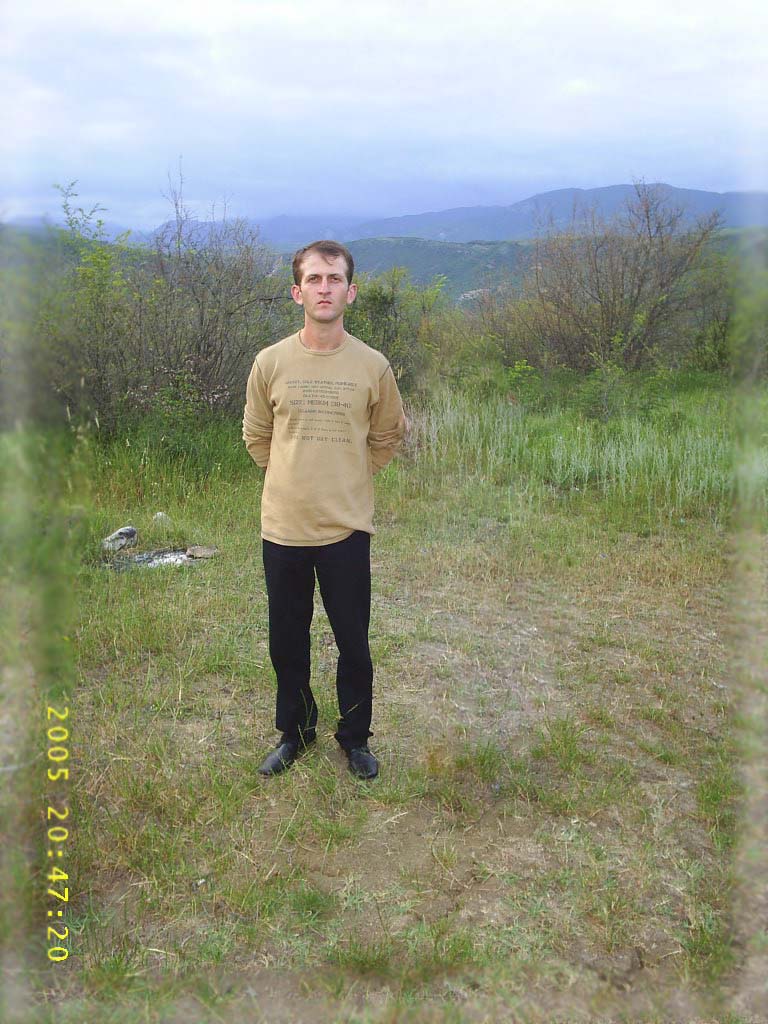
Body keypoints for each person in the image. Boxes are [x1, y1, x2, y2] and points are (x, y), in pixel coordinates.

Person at [243, 240, 407, 780]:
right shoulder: (270, 362)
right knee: (287, 643)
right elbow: (257, 437)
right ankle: (295, 733)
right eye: (313, 279)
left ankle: (355, 739)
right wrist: (293, 478)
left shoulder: (372, 366)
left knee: (354, 644)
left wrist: (348, 478)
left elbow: (387, 435)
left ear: (350, 292)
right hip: (284, 529)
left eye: (334, 279)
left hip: (346, 529)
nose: (324, 288)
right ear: (297, 292)